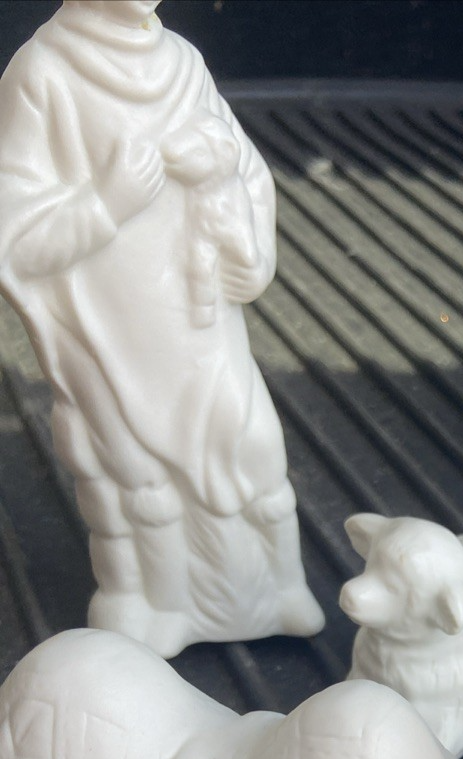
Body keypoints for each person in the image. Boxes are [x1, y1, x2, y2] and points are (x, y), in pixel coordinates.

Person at [0, 0, 324, 658]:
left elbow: (245, 169)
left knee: (249, 442)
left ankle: (277, 587)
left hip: (198, 314)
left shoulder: (181, 62)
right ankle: (158, 601)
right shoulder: (44, 73)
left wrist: (250, 253)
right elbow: (14, 229)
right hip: (112, 330)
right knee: (136, 469)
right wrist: (105, 203)